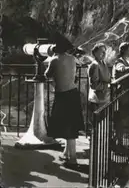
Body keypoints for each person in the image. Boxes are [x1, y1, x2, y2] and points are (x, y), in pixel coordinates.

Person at [44, 40, 85, 169]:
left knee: (68, 128)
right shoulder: (72, 58)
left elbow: (47, 75)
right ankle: (66, 153)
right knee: (71, 125)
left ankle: (73, 159)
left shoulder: (54, 60)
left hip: (63, 96)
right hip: (73, 94)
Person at [87, 43, 111, 123]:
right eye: (102, 52)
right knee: (97, 123)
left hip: (104, 98)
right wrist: (108, 85)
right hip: (97, 100)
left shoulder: (103, 63)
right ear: (95, 53)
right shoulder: (95, 65)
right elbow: (94, 85)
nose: (104, 54)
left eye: (105, 52)